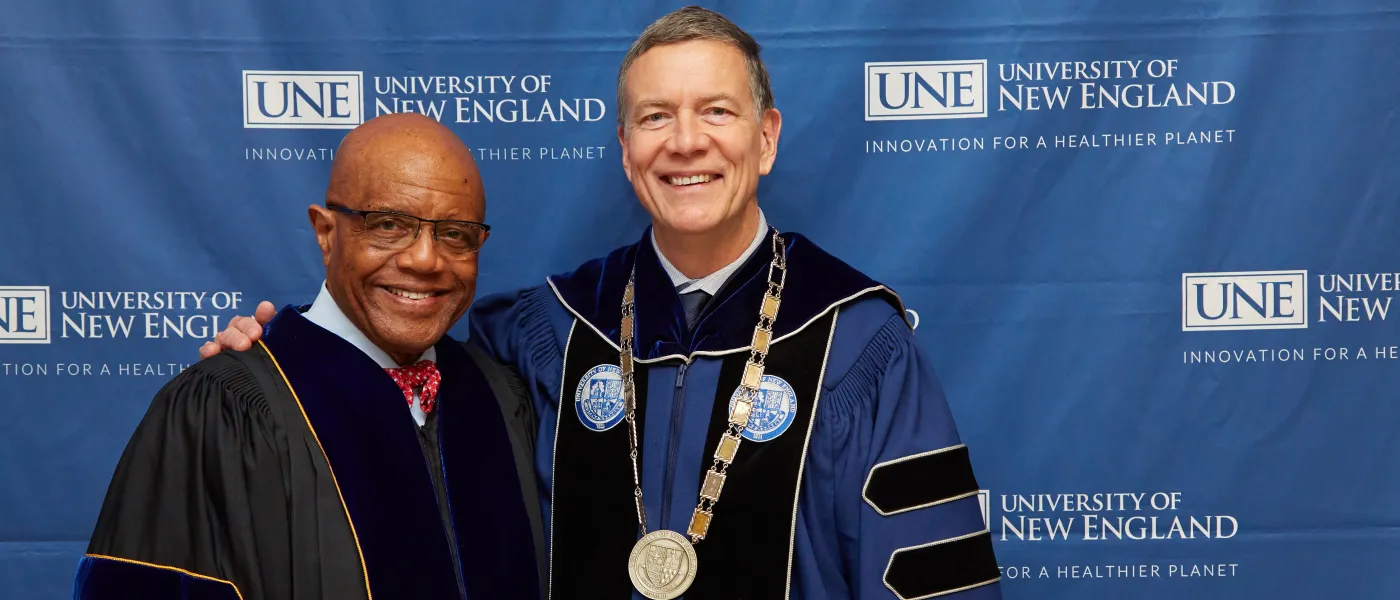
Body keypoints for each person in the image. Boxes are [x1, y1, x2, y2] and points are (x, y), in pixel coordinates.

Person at [202, 6, 1001, 600]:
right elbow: (399, 387)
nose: (685, 142)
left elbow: (931, 580)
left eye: (716, 111)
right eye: (655, 117)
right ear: (625, 149)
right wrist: (283, 364)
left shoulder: (856, 343)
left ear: (765, 139)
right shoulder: (548, 330)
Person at [78, 113, 544, 600]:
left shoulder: (500, 396)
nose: (424, 260)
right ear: (326, 233)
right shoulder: (225, 408)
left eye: (455, 234)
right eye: (388, 224)